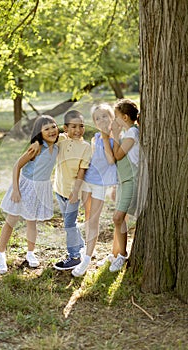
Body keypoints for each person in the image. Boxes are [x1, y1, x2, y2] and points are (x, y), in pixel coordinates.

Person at [0, 115, 59, 274]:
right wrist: (16, 190)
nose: (51, 131)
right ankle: (1, 253)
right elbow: (17, 166)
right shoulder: (36, 148)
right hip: (25, 186)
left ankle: (30, 253)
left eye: (53, 126)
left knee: (32, 221)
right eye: (46, 129)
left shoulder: (58, 146)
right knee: (11, 220)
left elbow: (68, 136)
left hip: (41, 187)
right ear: (40, 132)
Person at [72, 103, 118, 277]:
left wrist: (107, 137)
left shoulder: (114, 138)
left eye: (105, 116)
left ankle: (87, 259)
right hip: (87, 181)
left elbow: (111, 160)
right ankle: (86, 251)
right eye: (97, 118)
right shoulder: (95, 137)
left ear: (112, 117)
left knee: (94, 221)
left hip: (100, 184)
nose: (101, 120)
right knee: (87, 217)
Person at [53, 110, 92, 270]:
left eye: (81, 126)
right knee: (70, 222)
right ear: (65, 128)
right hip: (59, 189)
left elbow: (82, 171)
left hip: (73, 193)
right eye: (74, 126)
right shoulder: (61, 140)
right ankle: (81, 246)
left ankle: (74, 256)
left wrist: (75, 193)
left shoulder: (85, 147)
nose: (78, 130)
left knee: (69, 224)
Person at [108, 98, 139, 272]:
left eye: (116, 117)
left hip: (132, 180)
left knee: (118, 218)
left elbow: (117, 156)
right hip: (124, 180)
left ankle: (122, 255)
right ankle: (116, 253)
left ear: (125, 117)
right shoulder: (128, 133)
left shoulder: (133, 133)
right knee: (120, 218)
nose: (114, 121)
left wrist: (113, 134)